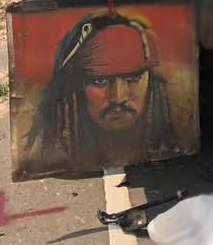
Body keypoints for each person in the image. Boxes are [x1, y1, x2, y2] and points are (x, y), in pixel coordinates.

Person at [26, 12, 175, 171]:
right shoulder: (42, 158)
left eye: (133, 78)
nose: (118, 97)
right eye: (99, 81)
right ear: (76, 89)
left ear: (152, 83)